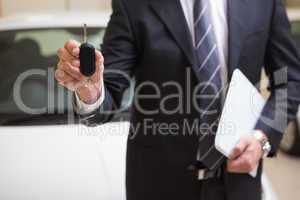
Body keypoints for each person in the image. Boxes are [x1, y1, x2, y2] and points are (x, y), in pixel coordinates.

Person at [55, 0, 300, 199]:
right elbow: (107, 94)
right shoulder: (134, 5)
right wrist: (90, 89)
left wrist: (262, 138)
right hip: (159, 186)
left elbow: (290, 80)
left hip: (239, 185)